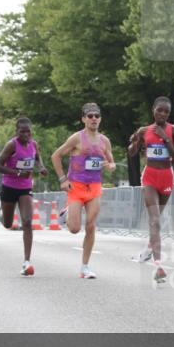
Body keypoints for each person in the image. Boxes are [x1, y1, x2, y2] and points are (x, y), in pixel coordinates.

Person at [50, 103, 116, 279]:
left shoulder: (104, 141)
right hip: (76, 187)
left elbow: (111, 162)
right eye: (90, 116)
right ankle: (66, 212)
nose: (94, 118)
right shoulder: (76, 138)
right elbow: (55, 156)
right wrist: (63, 179)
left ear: (100, 118)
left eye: (96, 115)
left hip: (94, 187)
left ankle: (85, 267)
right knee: (74, 229)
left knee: (91, 226)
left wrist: (110, 166)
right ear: (83, 119)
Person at [127, 96, 174, 283]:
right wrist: (135, 142)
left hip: (167, 177)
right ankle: (158, 266)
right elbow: (132, 152)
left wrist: (166, 138)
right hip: (150, 177)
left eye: (166, 111)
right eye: (160, 110)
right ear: (153, 110)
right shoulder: (144, 130)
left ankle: (148, 249)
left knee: (156, 221)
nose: (163, 114)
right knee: (155, 221)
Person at [0, 116, 48, 276]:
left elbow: (37, 159)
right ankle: (1, 211)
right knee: (7, 224)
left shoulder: (34, 144)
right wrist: (18, 172)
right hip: (9, 187)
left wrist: (41, 168)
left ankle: (27, 261)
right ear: (16, 131)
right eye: (22, 131)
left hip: (25, 188)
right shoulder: (12, 145)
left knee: (27, 221)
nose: (26, 134)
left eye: (28, 131)